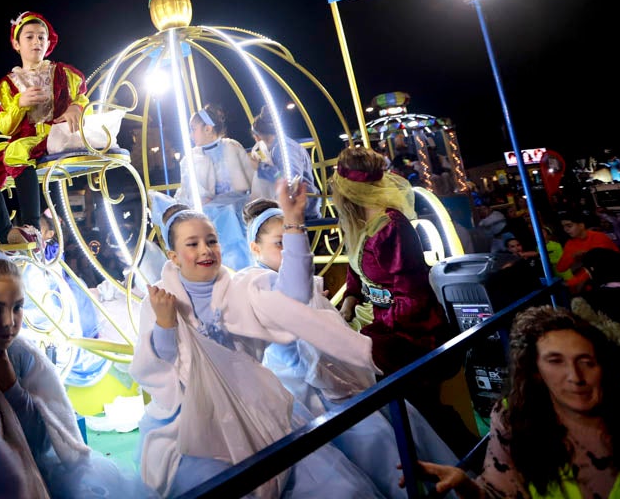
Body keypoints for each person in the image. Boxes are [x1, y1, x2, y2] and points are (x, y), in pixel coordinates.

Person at [129, 182, 385, 499]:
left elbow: (294, 294)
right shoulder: (159, 300)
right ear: (174, 256)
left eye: (211, 241)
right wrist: (165, 323)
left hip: (257, 409)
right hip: (190, 420)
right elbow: (160, 368)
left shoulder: (243, 285)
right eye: (192, 244)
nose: (206, 250)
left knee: (337, 489)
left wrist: (293, 223)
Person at [243, 197, 459, 499]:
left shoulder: (295, 280)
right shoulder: (262, 285)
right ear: (255, 249)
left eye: (294, 241)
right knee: (375, 444)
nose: (291, 251)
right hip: (311, 389)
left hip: (336, 378)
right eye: (281, 244)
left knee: (395, 433)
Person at [0, 243, 158, 499]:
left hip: (34, 475)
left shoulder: (22, 356)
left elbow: (47, 441)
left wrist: (12, 389)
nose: (8, 322)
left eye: (17, 307)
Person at [331, 144, 478, 459]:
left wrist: (371, 333)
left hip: (411, 331)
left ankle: (458, 456)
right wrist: (349, 302)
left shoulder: (391, 226)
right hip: (377, 323)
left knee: (403, 397)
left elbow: (411, 297)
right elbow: (355, 272)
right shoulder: (356, 224)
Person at [414, 305, 620, 498]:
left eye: (586, 362)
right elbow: (499, 492)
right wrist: (468, 488)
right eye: (556, 362)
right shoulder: (513, 417)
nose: (575, 376)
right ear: (535, 371)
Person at [0, 11, 89, 242]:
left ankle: (32, 226)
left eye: (41, 37)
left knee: (16, 151)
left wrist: (77, 108)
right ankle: (6, 234)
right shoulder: (7, 85)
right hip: (26, 139)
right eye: (30, 37)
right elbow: (4, 126)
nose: (37, 42)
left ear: (49, 42)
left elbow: (82, 98)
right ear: (16, 43)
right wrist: (19, 104)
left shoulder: (63, 73)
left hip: (56, 133)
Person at [173, 103, 264, 269]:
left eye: (194, 129)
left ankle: (241, 265)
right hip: (209, 204)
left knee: (230, 212)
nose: (191, 134)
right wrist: (199, 197)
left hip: (237, 200)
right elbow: (188, 187)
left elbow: (248, 176)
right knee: (206, 213)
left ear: (208, 129)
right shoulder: (192, 157)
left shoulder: (231, 146)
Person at [249, 106, 322, 221]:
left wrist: (261, 168)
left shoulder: (285, 148)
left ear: (257, 137)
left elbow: (290, 180)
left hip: (302, 210)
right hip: (295, 207)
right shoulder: (277, 148)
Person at [555, 205, 620, 293]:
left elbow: (603, 264)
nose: (566, 229)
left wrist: (573, 282)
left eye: (569, 226)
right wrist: (572, 256)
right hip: (588, 287)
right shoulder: (570, 244)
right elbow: (561, 268)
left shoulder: (599, 237)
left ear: (581, 225)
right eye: (564, 226)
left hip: (612, 281)